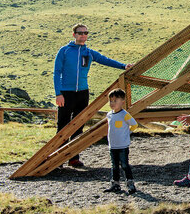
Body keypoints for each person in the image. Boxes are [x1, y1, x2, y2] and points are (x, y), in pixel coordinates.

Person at [53, 23, 133, 167]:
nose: (83, 35)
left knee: (79, 125)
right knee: (63, 125)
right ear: (74, 35)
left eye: (85, 33)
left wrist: (123, 66)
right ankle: (57, 159)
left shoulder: (89, 52)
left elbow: (105, 60)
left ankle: (73, 158)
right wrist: (58, 93)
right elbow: (56, 72)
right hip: (66, 93)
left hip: (83, 93)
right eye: (80, 33)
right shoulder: (64, 51)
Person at [103, 89, 138, 194]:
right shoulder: (109, 114)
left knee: (124, 165)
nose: (112, 103)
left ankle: (130, 183)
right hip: (113, 145)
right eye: (111, 101)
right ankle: (115, 184)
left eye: (115, 101)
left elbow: (134, 124)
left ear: (122, 101)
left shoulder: (124, 114)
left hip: (122, 145)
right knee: (114, 166)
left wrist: (128, 133)